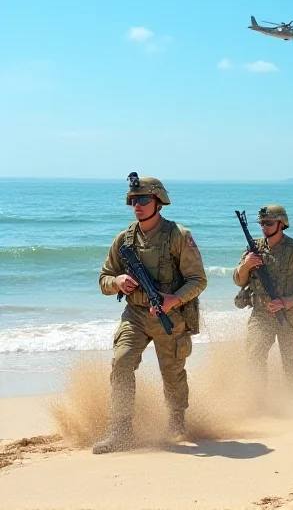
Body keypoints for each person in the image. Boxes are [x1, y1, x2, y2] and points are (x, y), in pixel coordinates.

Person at [93, 173, 207, 454]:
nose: (137, 205)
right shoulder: (124, 240)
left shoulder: (179, 236)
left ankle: (177, 423)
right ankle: (120, 431)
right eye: (133, 200)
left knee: (173, 374)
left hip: (170, 316)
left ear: (159, 201)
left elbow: (198, 280)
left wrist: (173, 300)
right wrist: (117, 281)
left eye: (143, 199)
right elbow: (104, 279)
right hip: (135, 314)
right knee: (121, 363)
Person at [233, 204, 293, 390]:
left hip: (289, 315)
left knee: (290, 360)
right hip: (261, 313)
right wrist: (246, 266)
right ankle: (259, 400)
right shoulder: (253, 249)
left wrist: (286, 302)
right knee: (254, 354)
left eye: (269, 223)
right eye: (262, 223)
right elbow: (239, 281)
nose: (264, 227)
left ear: (281, 223)